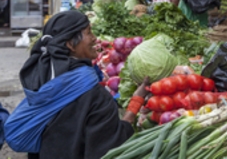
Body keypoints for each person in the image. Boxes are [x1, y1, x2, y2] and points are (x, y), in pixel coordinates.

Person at [4, 10, 150, 159]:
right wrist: (135, 105)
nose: (95, 38)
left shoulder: (44, 79)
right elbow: (112, 148)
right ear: (70, 44)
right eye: (88, 33)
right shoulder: (94, 97)